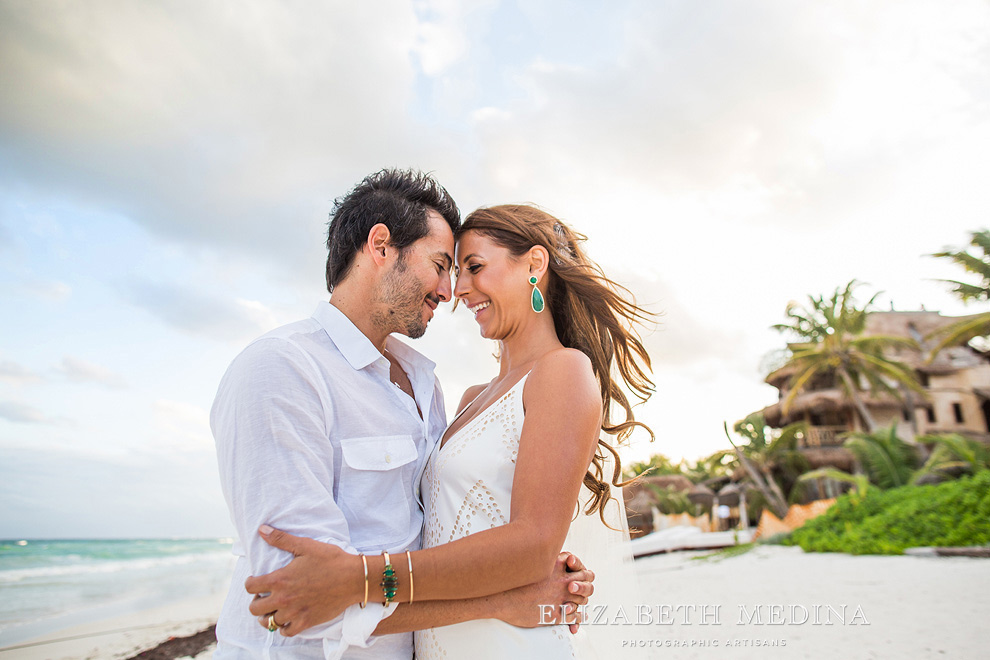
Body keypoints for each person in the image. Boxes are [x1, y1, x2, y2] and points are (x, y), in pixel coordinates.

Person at [211, 170, 594, 660]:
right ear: (380, 245)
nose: (448, 290)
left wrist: (526, 573)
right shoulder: (282, 369)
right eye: (441, 265)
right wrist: (508, 599)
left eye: (462, 269)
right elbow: (302, 598)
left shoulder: (423, 385)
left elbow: (451, 528)